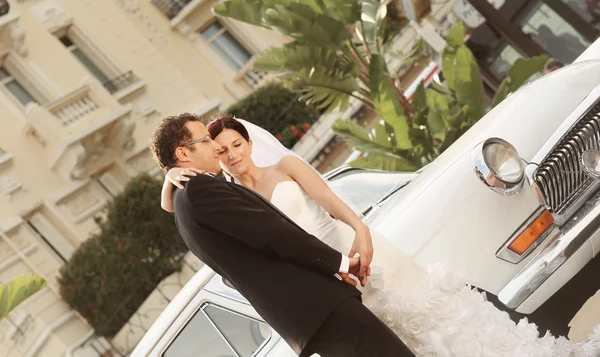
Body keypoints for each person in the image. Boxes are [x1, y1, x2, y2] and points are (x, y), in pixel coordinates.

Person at [162, 116, 600, 356]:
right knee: (399, 340)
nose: (230, 154)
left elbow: (333, 204)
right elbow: (186, 205)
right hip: (330, 278)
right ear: (209, 157)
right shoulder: (226, 195)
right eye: (220, 150)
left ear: (249, 142)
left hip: (354, 253)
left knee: (436, 314)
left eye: (235, 144)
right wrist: (169, 178)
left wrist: (362, 232)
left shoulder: (285, 169)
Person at [149, 113, 416, 357]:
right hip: (320, 305)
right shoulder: (200, 189)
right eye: (206, 140)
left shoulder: (183, 205)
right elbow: (274, 235)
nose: (216, 147)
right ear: (183, 153)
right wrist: (341, 264)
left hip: (306, 315)